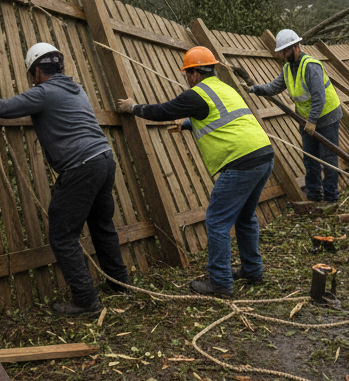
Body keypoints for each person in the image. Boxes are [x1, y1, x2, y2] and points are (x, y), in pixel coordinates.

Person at [0, 42, 131, 317]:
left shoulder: (43, 92)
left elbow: (1, 108)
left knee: (62, 235)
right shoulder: (77, 89)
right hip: (104, 159)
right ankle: (120, 284)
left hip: (81, 167)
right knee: (101, 225)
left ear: (37, 72)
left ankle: (86, 300)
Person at [115, 47, 274, 299]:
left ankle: (220, 284)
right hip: (263, 155)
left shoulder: (196, 95)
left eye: (187, 72)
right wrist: (188, 124)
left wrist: (133, 107)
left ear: (194, 73)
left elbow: (162, 111)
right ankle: (253, 271)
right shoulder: (224, 88)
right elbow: (225, 117)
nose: (186, 77)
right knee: (245, 217)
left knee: (217, 221)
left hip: (240, 162)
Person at [246, 29, 342, 211]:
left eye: (285, 52)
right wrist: (255, 89)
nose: (283, 56)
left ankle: (331, 199)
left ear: (296, 47)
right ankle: (314, 196)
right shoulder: (288, 68)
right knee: (310, 158)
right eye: (281, 52)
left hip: (327, 117)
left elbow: (319, 98)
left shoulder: (311, 67)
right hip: (307, 120)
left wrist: (313, 121)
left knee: (328, 158)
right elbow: (275, 86)